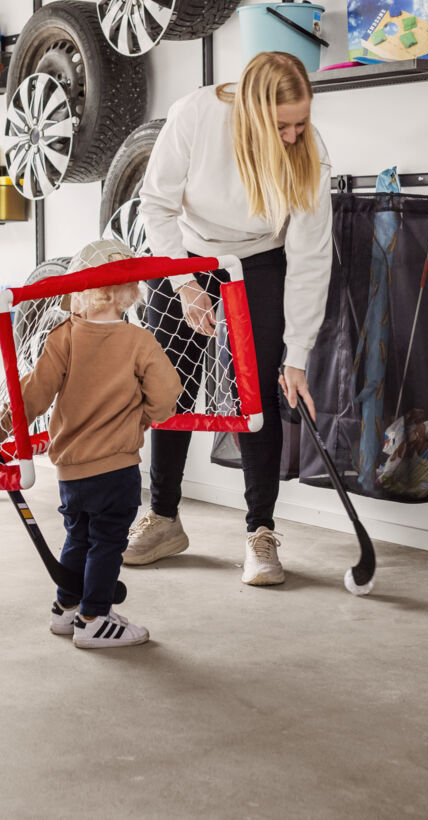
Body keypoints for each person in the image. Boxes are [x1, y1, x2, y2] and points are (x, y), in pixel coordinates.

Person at [127, 51, 331, 586]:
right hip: (187, 252)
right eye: (282, 125)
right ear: (252, 115)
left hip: (260, 258)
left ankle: (260, 533)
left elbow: (311, 260)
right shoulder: (196, 115)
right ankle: (165, 518)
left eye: (301, 123)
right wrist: (185, 284)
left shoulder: (309, 152)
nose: (293, 135)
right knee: (169, 385)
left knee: (258, 394)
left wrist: (299, 356)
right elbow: (156, 203)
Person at [0, 238, 182, 648]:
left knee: (78, 536)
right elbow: (167, 395)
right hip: (116, 468)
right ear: (128, 292)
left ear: (81, 291)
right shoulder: (138, 342)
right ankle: (94, 619)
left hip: (70, 469)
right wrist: (147, 415)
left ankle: (65, 608)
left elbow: (33, 393)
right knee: (107, 544)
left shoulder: (64, 336)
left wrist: (0, 426)